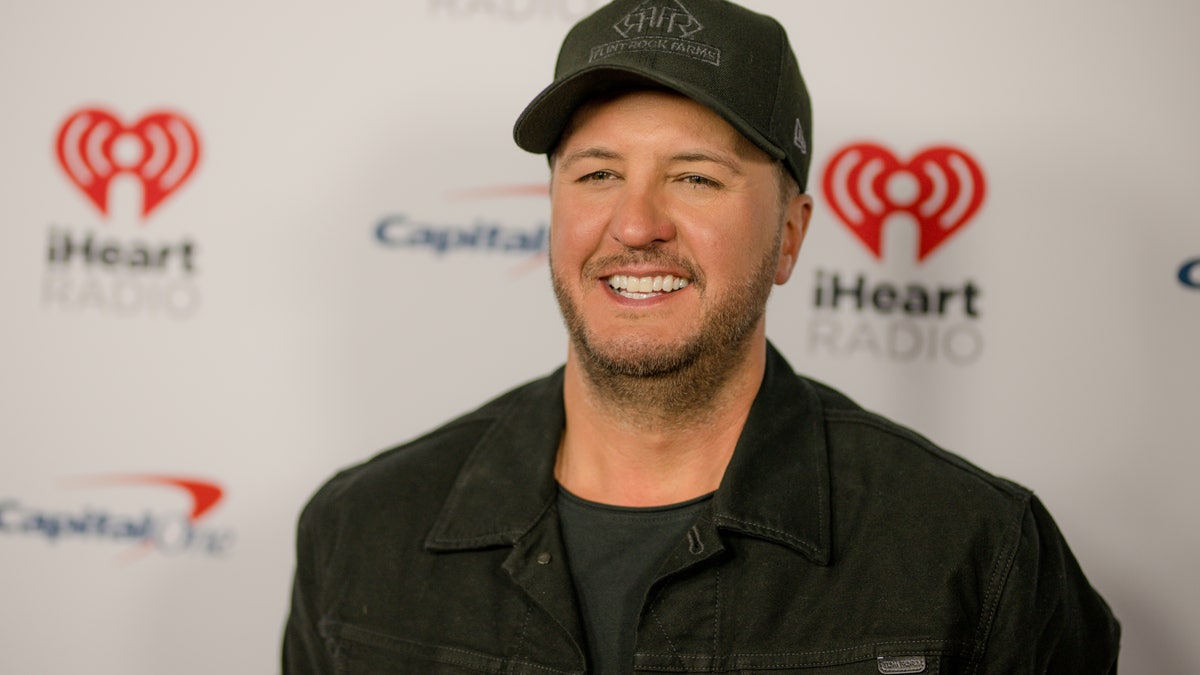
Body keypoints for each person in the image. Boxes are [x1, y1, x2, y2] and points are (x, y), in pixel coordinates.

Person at [283, 1, 1120, 672]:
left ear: (790, 236)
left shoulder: (975, 551)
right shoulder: (360, 533)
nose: (636, 224)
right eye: (598, 173)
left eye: (694, 178)